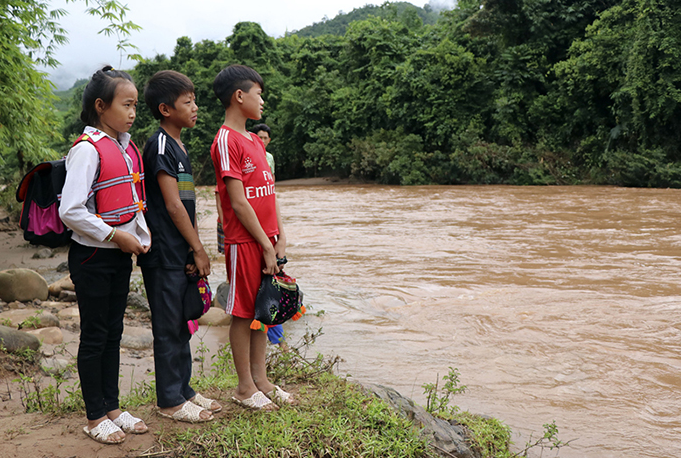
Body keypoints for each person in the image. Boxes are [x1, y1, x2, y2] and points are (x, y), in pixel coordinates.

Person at [59, 66, 150, 444]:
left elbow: (130, 202)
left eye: (135, 106)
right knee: (95, 335)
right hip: (93, 257)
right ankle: (95, 416)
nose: (132, 113)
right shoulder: (86, 150)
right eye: (126, 105)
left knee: (114, 332)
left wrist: (137, 239)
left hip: (117, 255)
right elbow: (71, 210)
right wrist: (116, 235)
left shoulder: (125, 147)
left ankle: (112, 407)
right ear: (101, 106)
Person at [137, 70, 221, 423]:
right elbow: (172, 206)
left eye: (194, 100)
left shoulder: (179, 145)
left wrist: (192, 249)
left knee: (181, 324)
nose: (195, 107)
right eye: (187, 102)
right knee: (168, 326)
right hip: (163, 254)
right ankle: (169, 400)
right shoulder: (159, 146)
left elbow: (186, 205)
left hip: (179, 251)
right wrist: (198, 249)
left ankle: (184, 389)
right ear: (165, 109)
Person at [210, 64, 294, 410]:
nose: (263, 101)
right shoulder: (226, 140)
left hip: (268, 241)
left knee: (263, 309)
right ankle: (245, 387)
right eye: (259, 94)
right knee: (244, 313)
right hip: (245, 242)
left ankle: (262, 380)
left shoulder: (253, 140)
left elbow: (268, 194)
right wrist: (263, 243)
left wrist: (280, 237)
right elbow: (238, 201)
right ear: (239, 96)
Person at [249, 123, 289, 352]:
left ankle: (277, 341)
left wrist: (280, 237)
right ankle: (276, 343)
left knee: (271, 286)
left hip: (269, 229)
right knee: (264, 289)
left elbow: (271, 193)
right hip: (256, 232)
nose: (262, 141)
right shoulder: (242, 154)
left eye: (265, 138)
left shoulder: (268, 158)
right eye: (259, 137)